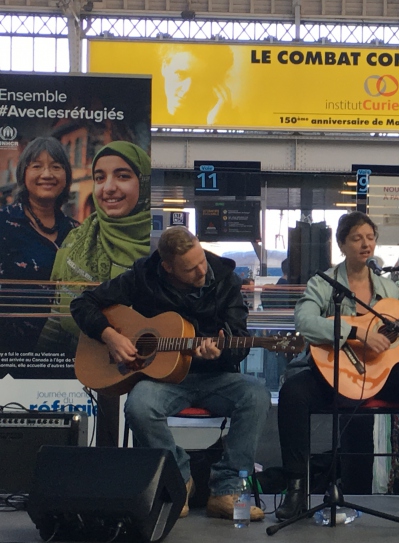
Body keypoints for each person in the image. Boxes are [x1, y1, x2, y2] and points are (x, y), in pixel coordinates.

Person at [69, 226, 271, 521]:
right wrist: (110, 335)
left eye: (202, 259)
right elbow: (82, 303)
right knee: (139, 406)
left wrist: (222, 350)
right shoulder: (144, 275)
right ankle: (178, 481)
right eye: (190, 268)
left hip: (215, 377)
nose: (202, 270)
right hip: (162, 380)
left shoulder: (226, 279)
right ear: (167, 267)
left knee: (256, 395)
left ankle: (225, 491)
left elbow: (238, 338)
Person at [275, 211, 399, 520]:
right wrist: (357, 333)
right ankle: (296, 487)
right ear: (342, 244)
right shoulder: (324, 282)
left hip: (377, 375)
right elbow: (304, 321)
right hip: (333, 372)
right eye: (357, 238)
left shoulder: (389, 291)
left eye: (370, 238)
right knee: (293, 393)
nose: (365, 244)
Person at [36, 141, 152, 353]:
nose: (108, 188)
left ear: (144, 183)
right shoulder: (77, 240)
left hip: (147, 371)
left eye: (123, 176)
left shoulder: (165, 249)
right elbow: (57, 318)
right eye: (99, 178)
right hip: (76, 368)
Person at [0, 137, 78, 352]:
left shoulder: (78, 232)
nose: (47, 174)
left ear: (66, 176)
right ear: (23, 174)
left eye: (56, 167)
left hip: (64, 352)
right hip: (10, 353)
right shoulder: (4, 223)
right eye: (37, 166)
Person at [158, 44, 235, 126]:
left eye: (200, 80)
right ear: (164, 67)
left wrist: (214, 124)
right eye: (180, 74)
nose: (187, 89)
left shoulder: (224, 119)